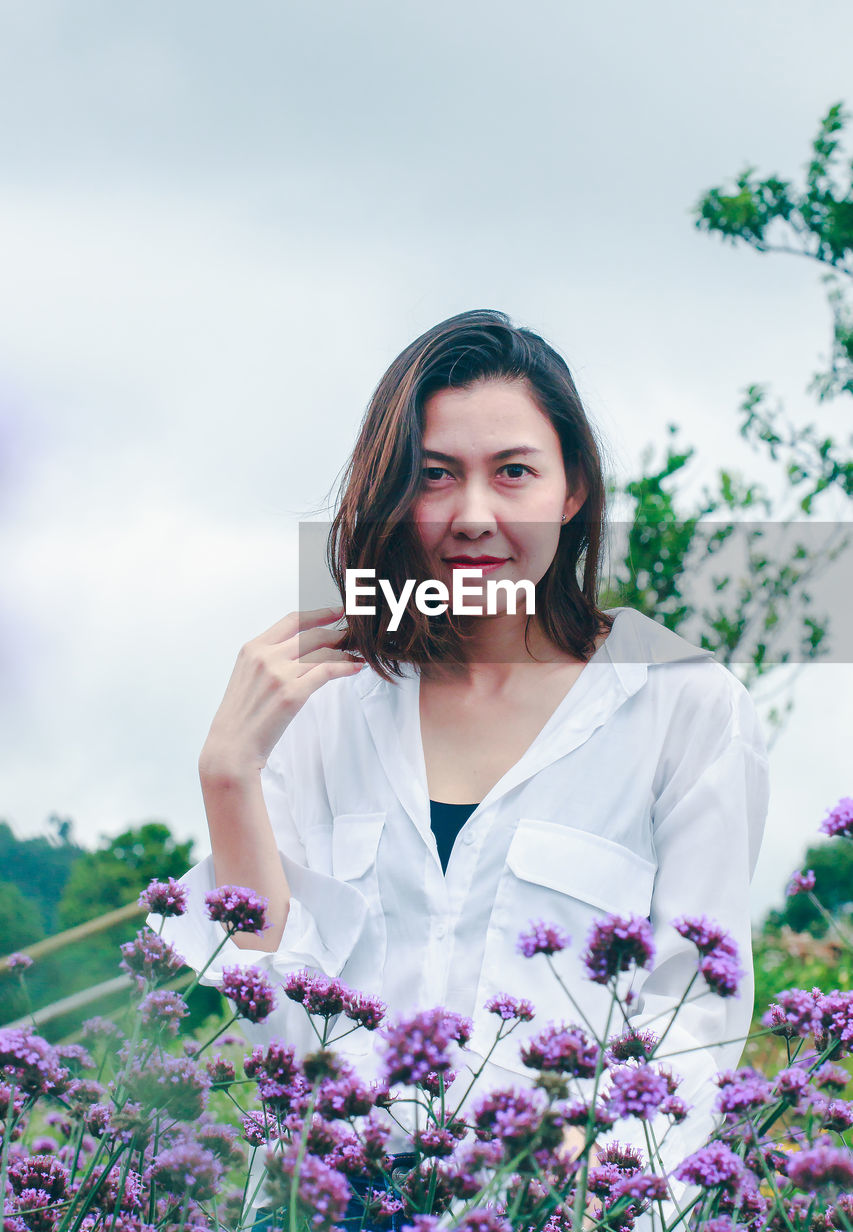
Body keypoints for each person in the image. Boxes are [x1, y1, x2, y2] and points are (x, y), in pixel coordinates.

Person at [150, 310, 770, 1229]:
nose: (473, 515)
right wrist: (229, 773)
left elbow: (695, 1013)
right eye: (435, 476)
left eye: (513, 471)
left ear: (572, 493)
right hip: (329, 1197)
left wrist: (597, 1174)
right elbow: (277, 1035)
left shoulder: (682, 704)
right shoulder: (323, 708)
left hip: (564, 1200)